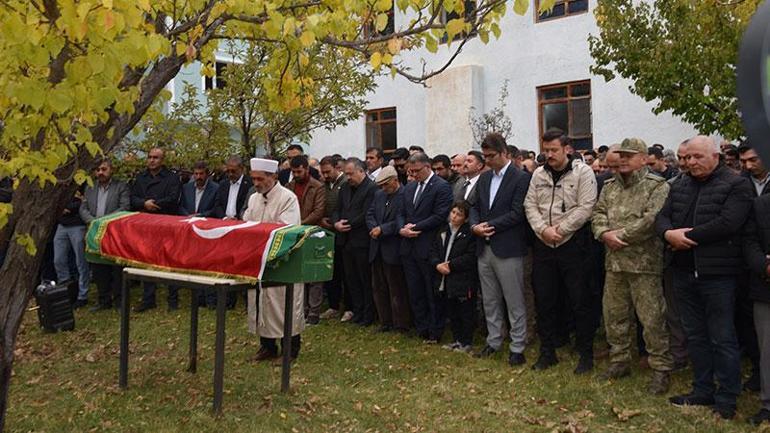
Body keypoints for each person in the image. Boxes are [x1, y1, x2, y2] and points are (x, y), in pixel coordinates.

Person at [656, 135, 753, 419]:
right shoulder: (681, 184)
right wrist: (666, 233)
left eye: (698, 157)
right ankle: (702, 389)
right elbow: (663, 217)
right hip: (683, 271)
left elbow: (728, 223)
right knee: (695, 335)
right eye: (687, 158)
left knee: (722, 337)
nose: (691, 162)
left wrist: (685, 236)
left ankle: (726, 397)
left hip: (718, 273)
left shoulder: (736, 184)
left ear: (715, 156)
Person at [592, 138, 673, 394]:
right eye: (621, 155)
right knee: (614, 315)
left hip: (644, 264)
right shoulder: (609, 186)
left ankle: (660, 367)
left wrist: (620, 237)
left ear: (643, 158)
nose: (623, 159)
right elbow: (597, 214)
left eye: (629, 155)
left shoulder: (656, 186)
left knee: (652, 318)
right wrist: (604, 234)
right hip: (614, 264)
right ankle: (620, 361)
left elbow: (651, 219)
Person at [524, 128, 598, 374]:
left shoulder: (583, 173)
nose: (549, 155)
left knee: (580, 300)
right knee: (545, 300)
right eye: (545, 150)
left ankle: (585, 353)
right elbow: (530, 205)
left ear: (567, 149)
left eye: (553, 150)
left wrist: (561, 229)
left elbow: (586, 206)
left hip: (573, 244)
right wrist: (543, 229)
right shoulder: (538, 174)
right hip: (544, 243)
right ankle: (548, 352)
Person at [470, 133, 531, 366]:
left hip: (508, 247)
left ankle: (517, 346)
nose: (487, 160)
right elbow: (473, 205)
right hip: (484, 247)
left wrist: (490, 226)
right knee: (490, 299)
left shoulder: (520, 178)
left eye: (491, 156)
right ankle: (494, 340)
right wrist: (475, 225)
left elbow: (518, 213)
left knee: (514, 299)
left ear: (504, 153)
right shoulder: (484, 179)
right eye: (484, 156)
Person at [243, 157, 305, 363]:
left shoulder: (288, 198)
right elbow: (247, 224)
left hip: (283, 260)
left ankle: (290, 349)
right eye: (253, 179)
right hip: (259, 260)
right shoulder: (254, 198)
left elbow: (287, 229)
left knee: (284, 305)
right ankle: (267, 346)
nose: (256, 183)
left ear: (273, 177)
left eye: (260, 179)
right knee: (262, 303)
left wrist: (261, 236)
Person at [400, 152, 454, 343]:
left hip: (428, 245)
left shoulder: (441, 187)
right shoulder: (410, 187)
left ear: (427, 167)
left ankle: (435, 329)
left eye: (416, 171)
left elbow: (440, 215)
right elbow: (402, 212)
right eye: (411, 171)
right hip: (409, 246)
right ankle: (421, 327)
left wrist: (416, 227)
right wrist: (402, 228)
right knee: (415, 290)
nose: (413, 175)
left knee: (432, 291)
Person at [129, 147, 181, 312]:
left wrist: (154, 203)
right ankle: (148, 298)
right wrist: (144, 204)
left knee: (169, 261)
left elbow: (173, 198)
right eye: (150, 157)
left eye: (156, 158)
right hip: (146, 223)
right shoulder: (140, 177)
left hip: (165, 222)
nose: (152, 160)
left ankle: (173, 299)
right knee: (146, 261)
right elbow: (132, 197)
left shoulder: (172, 178)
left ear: (162, 160)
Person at [79, 159, 130, 311]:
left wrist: (104, 222)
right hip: (95, 232)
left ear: (111, 170)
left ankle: (119, 301)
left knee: (116, 268)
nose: (100, 172)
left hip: (114, 232)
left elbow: (124, 207)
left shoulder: (121, 186)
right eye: (97, 170)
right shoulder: (90, 187)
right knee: (98, 266)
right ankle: (103, 300)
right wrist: (94, 222)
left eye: (104, 169)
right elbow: (83, 208)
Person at [333, 158, 378, 326]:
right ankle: (357, 311)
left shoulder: (371, 188)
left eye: (351, 174)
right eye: (346, 174)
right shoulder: (345, 187)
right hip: (346, 241)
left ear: (361, 171)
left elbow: (367, 213)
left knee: (364, 279)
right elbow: (337, 209)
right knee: (351, 279)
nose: (348, 177)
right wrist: (337, 222)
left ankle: (368, 314)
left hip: (361, 240)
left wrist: (348, 224)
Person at [366, 166, 411, 333]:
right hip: (377, 247)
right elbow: (370, 214)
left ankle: (401, 323)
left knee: (396, 288)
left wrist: (383, 229)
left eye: (386, 185)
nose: (383, 188)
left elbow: (401, 218)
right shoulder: (379, 195)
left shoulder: (405, 195)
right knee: (379, 287)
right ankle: (385, 321)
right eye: (381, 186)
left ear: (395, 180)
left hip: (393, 247)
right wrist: (373, 227)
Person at [430, 201, 478, 353]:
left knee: (465, 311)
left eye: (459, 214)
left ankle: (466, 341)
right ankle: (457, 339)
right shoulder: (443, 230)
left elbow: (470, 256)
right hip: (445, 278)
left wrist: (451, 265)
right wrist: (437, 264)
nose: (455, 217)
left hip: (462, 278)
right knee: (453, 311)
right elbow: (434, 250)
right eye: (453, 213)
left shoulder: (469, 234)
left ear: (465, 218)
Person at [286, 155, 326, 325]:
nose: (296, 174)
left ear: (306, 169)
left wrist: (299, 224)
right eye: (294, 172)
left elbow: (318, 211)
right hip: (294, 234)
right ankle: (300, 309)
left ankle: (314, 312)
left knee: (314, 275)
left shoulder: (318, 187)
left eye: (299, 171)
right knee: (297, 274)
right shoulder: (289, 187)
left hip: (312, 233)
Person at [744, 193, 770, 425]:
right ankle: (768, 404)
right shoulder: (761, 204)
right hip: (766, 286)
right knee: (768, 349)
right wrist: (764, 265)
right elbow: (749, 241)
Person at [318, 155, 351, 321]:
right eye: (322, 172)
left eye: (328, 172)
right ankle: (333, 305)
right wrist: (322, 218)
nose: (325, 175)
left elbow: (345, 206)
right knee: (331, 273)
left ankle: (348, 307)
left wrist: (337, 221)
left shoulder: (345, 183)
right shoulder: (323, 185)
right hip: (326, 233)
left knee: (346, 273)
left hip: (343, 233)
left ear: (337, 168)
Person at [53, 186, 90, 308]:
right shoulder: (60, 182)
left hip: (78, 224)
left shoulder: (83, 182)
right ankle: (66, 290)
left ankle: (82, 294)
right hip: (62, 224)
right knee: (58, 259)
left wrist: (69, 207)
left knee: (81, 261)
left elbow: (85, 201)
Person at [212, 156, 252, 221]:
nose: (230, 174)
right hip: (223, 221)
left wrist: (237, 218)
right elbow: (217, 205)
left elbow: (248, 207)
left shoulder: (249, 184)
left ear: (241, 169)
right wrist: (224, 217)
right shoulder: (223, 184)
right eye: (228, 171)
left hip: (240, 222)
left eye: (233, 171)